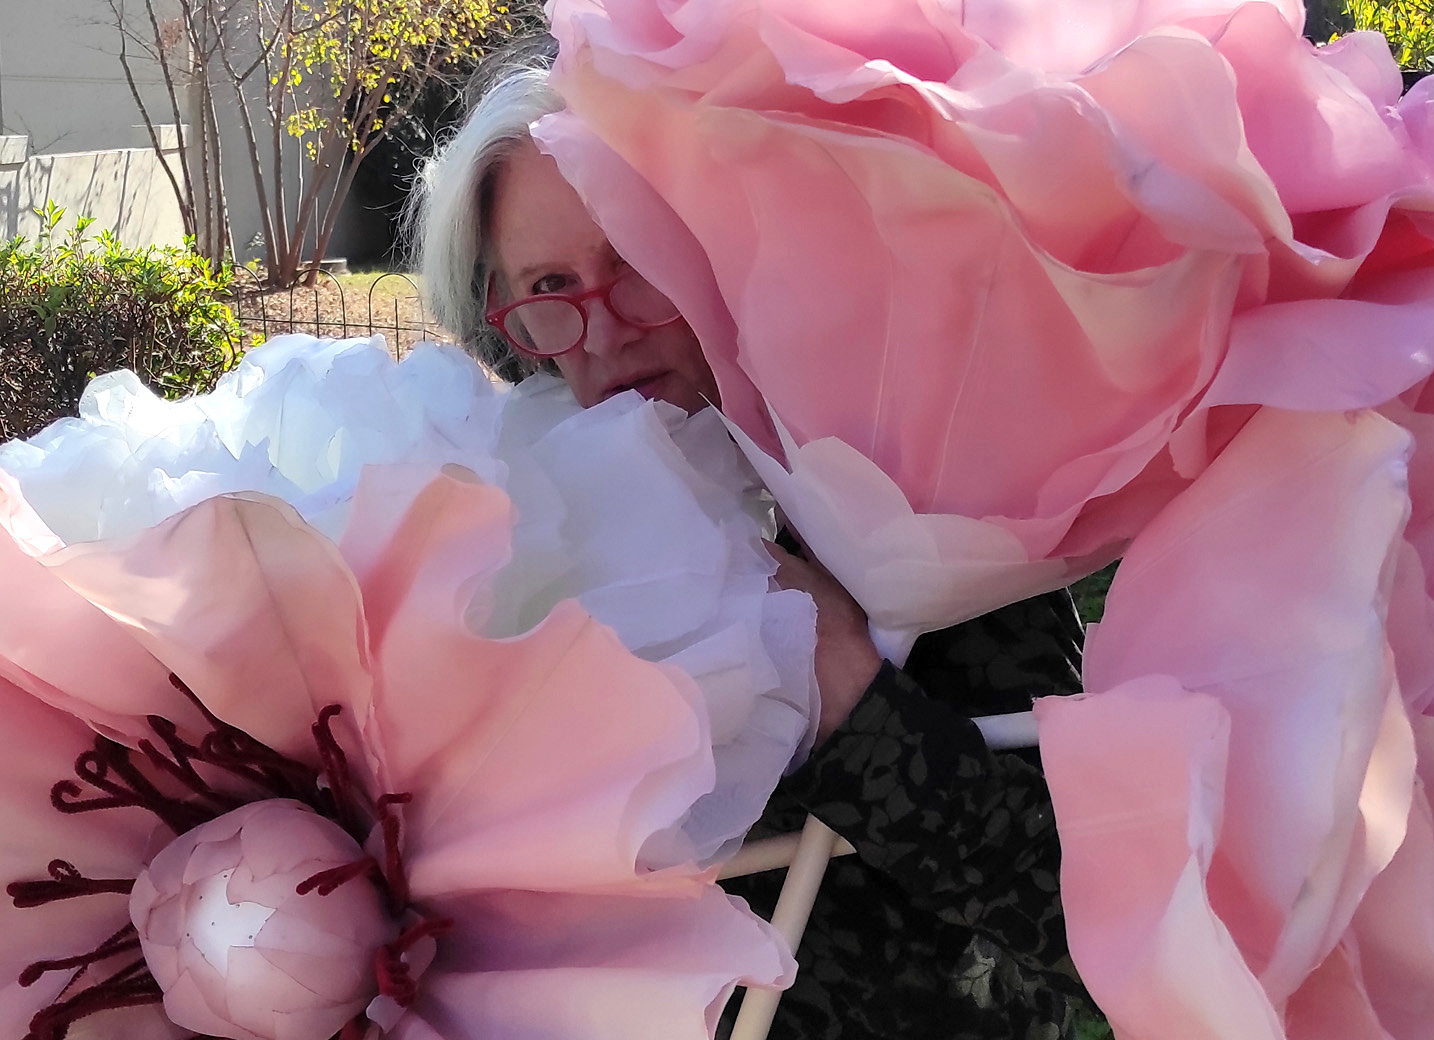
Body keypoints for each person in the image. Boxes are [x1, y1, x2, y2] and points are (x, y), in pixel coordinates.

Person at [410, 52, 1101, 1040]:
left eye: (636, 260)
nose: (601, 334)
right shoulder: (516, 527)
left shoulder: (925, 497)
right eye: (549, 284)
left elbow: (1079, 930)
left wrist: (853, 694)